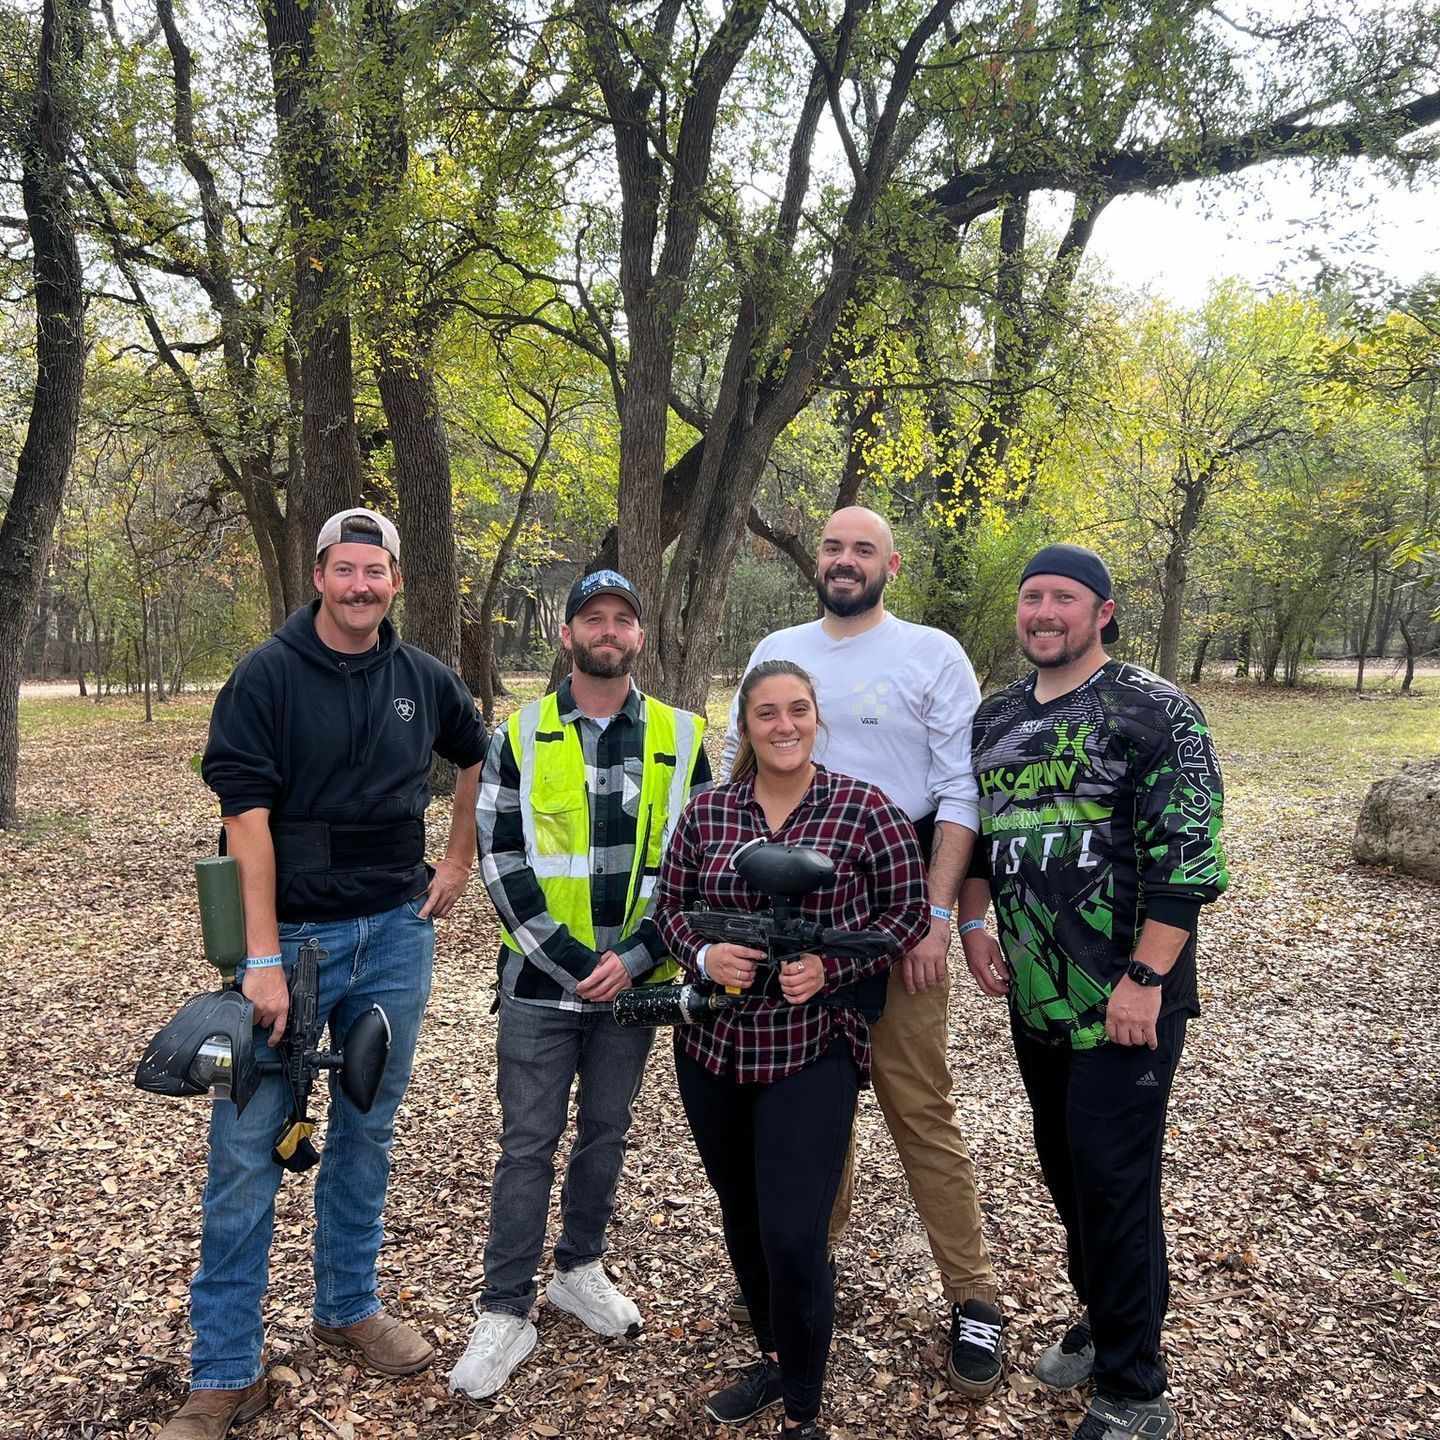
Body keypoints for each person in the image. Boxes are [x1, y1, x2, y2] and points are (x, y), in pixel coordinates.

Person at [164, 508, 487, 1440]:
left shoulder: (422, 678)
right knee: (246, 1152)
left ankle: (348, 1306)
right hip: (294, 940)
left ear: (395, 580)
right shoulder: (266, 677)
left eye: (374, 571)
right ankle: (224, 1371)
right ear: (318, 576)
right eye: (344, 570)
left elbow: (479, 755)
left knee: (366, 1129)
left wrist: (456, 860)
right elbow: (245, 822)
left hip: (395, 934)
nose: (360, 586)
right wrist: (262, 960)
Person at [719, 506, 1005, 1395]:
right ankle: (806, 1270)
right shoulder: (780, 648)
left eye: (863, 550)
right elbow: (738, 771)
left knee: (918, 1105)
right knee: (811, 1105)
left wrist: (935, 915)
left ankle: (973, 1295)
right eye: (834, 547)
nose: (845, 561)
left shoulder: (931, 654)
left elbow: (960, 789)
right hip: (792, 913)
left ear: (891, 563)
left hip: (895, 904)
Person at [957, 543, 1229, 1440]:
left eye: (1064, 598)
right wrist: (974, 924)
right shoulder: (996, 717)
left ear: (1102, 612)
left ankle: (1135, 1389)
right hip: (1037, 996)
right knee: (1070, 1174)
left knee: (1115, 1183)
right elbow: (981, 838)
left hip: (1125, 1002)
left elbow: (1188, 863)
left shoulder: (1155, 711)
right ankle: (1112, 1318)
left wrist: (1146, 979)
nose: (1044, 612)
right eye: (1032, 596)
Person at [447, 569, 710, 1399]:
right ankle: (504, 1309)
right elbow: (498, 856)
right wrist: (572, 960)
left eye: (622, 619)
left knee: (606, 1131)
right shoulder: (518, 735)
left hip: (633, 987)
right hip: (539, 986)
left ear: (639, 637)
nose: (607, 630)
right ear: (567, 635)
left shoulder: (682, 736)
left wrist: (637, 956)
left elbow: (698, 859)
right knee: (527, 1143)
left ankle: (579, 1268)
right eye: (592, 617)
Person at [657, 660, 929, 1440]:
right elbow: (671, 907)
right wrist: (705, 955)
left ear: (816, 717)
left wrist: (830, 968)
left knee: (793, 1232)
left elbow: (908, 913)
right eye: (767, 713)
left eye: (798, 710)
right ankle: (777, 1357)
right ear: (746, 725)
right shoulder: (709, 812)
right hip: (713, 1047)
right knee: (743, 1216)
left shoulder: (864, 809)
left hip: (812, 1048)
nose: (785, 726)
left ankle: (804, 1411)